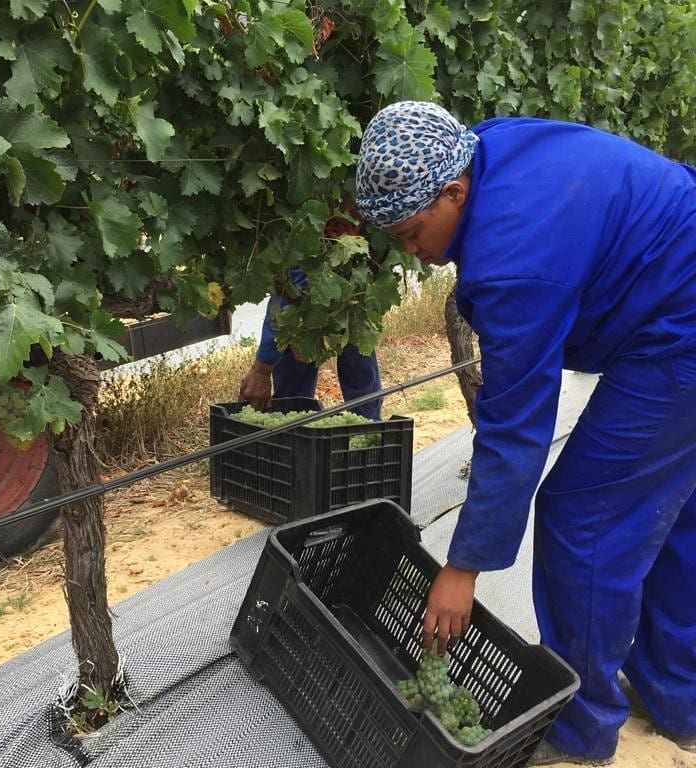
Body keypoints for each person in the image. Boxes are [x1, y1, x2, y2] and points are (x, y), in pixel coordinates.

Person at [354, 101, 696, 766]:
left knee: (584, 514)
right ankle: (679, 697)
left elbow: (516, 427)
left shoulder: (516, 258)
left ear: (453, 191)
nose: (413, 253)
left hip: (681, 331)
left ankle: (580, 726)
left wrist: (462, 567)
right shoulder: (484, 148)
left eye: (410, 232)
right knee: (671, 507)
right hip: (678, 285)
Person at [239, 203, 383, 420]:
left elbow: (291, 290)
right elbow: (291, 288)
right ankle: (295, 426)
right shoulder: (300, 218)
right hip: (327, 274)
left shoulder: (356, 213)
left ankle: (368, 431)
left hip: (350, 287)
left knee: (355, 338)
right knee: (294, 366)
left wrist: (262, 368)